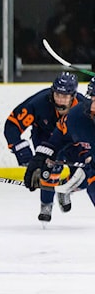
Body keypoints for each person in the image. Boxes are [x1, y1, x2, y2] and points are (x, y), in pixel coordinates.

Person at [3, 72, 84, 223]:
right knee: (50, 169)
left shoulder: (83, 107)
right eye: (57, 94)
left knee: (84, 177)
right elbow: (12, 125)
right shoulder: (39, 103)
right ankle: (46, 204)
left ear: (73, 96)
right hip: (45, 137)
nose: (60, 100)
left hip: (72, 140)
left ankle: (65, 188)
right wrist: (22, 151)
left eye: (65, 96)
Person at [24, 78, 95, 210]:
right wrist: (40, 157)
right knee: (91, 185)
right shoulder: (77, 115)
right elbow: (56, 140)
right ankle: (54, 198)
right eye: (92, 98)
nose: (92, 106)